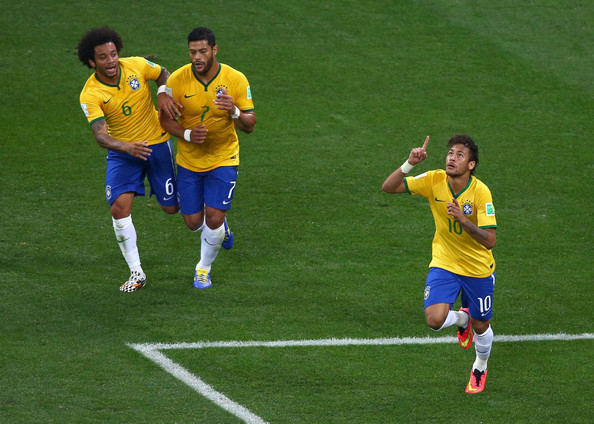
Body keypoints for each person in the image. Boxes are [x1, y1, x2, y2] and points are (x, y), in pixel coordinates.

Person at [382, 135, 497, 394]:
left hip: (477, 269)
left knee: (482, 327)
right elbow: (388, 187)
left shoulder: (480, 192)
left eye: (459, 155)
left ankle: (480, 364)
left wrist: (464, 220)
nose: (451, 158)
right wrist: (409, 164)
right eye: (450, 153)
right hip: (444, 262)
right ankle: (461, 320)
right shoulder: (434, 180)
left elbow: (490, 240)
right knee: (434, 320)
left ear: (471, 165)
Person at [78, 26, 183, 292]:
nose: (110, 61)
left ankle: (215, 216)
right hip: (124, 153)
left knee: (171, 209)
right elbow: (101, 136)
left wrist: (162, 93)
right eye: (103, 57)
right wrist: (126, 147)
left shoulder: (136, 65)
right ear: (92, 62)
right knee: (118, 208)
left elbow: (163, 74)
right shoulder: (90, 94)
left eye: (113, 54)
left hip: (157, 144)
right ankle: (137, 272)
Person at [159, 27, 256, 289]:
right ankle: (220, 228)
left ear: (214, 50)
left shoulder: (235, 79)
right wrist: (188, 134)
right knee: (193, 223)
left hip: (224, 157)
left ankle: (203, 268)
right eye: (193, 52)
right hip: (189, 160)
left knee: (213, 217)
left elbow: (250, 125)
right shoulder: (178, 80)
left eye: (202, 51)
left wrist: (234, 110)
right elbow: (165, 121)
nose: (197, 57)